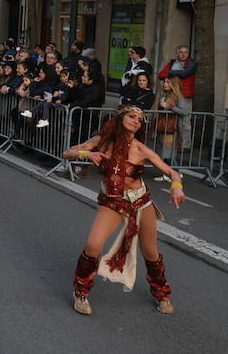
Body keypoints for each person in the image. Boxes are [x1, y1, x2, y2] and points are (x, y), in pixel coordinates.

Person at [63, 105, 186, 316]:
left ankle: (162, 294)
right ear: (120, 118)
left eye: (139, 120)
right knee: (93, 244)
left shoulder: (140, 149)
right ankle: (80, 293)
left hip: (140, 203)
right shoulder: (101, 141)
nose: (135, 121)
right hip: (112, 203)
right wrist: (87, 154)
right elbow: (67, 152)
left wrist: (176, 188)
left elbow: (173, 173)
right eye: (131, 116)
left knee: (150, 252)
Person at [158, 45, 196, 150]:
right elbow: (161, 75)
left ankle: (185, 145)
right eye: (181, 52)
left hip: (184, 95)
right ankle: (171, 144)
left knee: (185, 121)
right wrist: (172, 73)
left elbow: (185, 73)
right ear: (177, 53)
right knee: (171, 120)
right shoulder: (172, 63)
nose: (183, 54)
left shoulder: (191, 63)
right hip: (172, 93)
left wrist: (171, 73)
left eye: (186, 52)